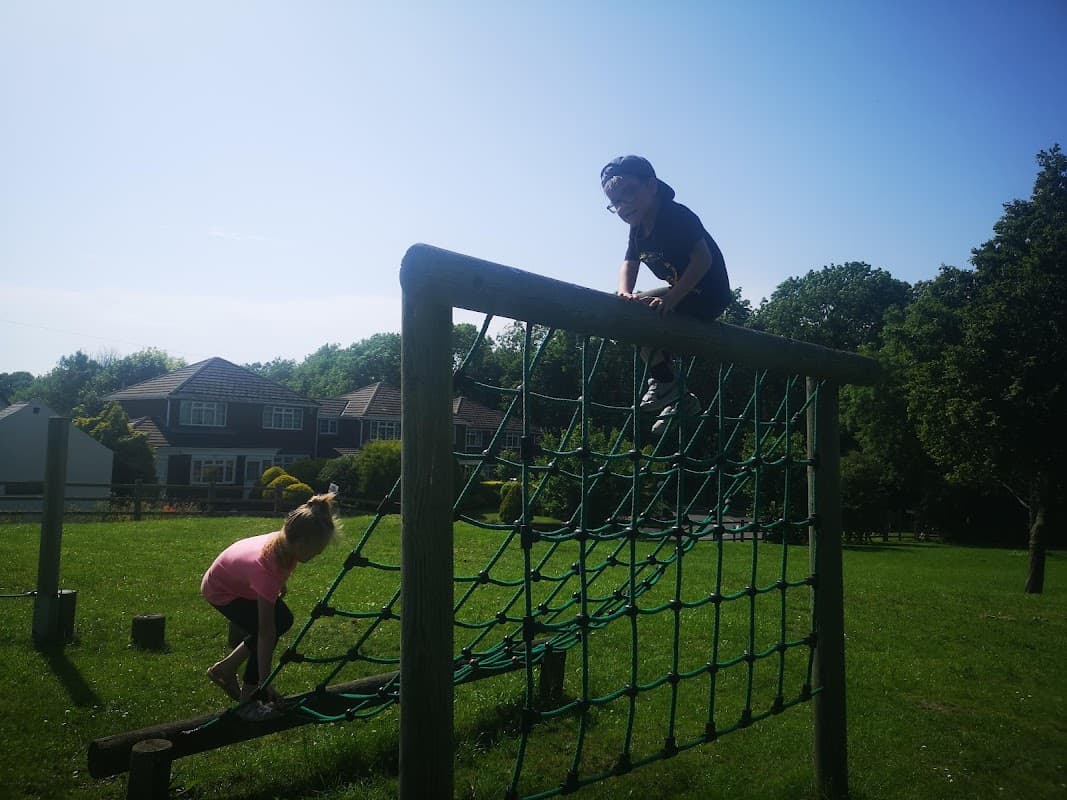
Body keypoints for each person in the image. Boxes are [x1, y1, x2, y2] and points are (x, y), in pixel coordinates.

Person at [601, 155, 731, 432]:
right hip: (683, 291)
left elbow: (702, 260)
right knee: (632, 312)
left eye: (629, 193)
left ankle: (669, 387)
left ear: (652, 186)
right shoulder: (638, 231)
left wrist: (671, 300)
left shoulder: (675, 215)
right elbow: (630, 263)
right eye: (616, 203)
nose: (624, 206)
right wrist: (625, 291)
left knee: (644, 318)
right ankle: (674, 392)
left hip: (708, 294)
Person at [201, 493, 339, 719]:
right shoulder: (264, 568)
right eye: (317, 550)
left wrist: (280, 585)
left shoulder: (286, 543)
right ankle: (248, 701)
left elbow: (280, 568)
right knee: (267, 628)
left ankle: (225, 670)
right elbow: (266, 632)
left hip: (237, 583)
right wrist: (265, 681)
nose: (318, 554)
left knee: (283, 619)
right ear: (301, 543)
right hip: (221, 591)